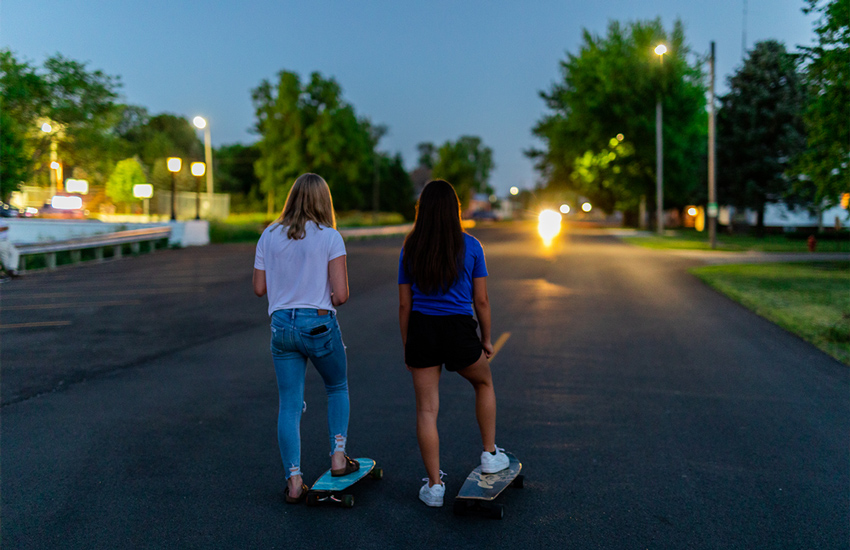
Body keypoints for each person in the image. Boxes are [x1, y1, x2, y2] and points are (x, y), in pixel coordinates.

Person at [398, 179, 510, 508]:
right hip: (459, 331)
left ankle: (434, 488)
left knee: (427, 410)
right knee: (484, 382)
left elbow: (405, 305)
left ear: (424, 211)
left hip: (422, 330)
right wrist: (486, 339)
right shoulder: (472, 246)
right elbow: (482, 301)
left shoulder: (411, 247)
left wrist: (408, 345)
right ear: (455, 211)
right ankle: (490, 454)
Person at [253, 173, 358, 504]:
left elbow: (259, 288)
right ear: (323, 201)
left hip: (282, 326)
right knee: (336, 386)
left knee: (289, 404)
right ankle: (338, 457)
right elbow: (340, 296)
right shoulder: (330, 237)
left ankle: (294, 480)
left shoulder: (268, 235)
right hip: (318, 324)